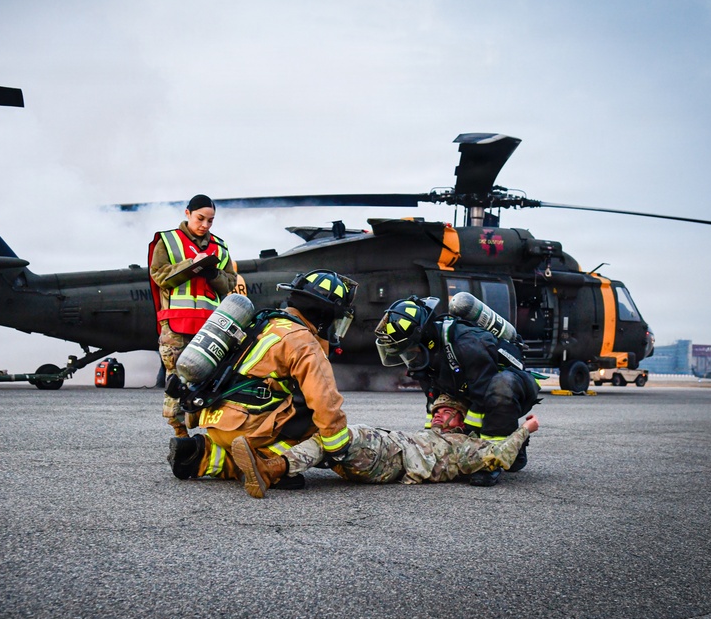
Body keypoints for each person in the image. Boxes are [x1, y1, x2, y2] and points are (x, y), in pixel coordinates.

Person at [167, 270, 357, 488]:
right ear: (324, 316)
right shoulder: (303, 341)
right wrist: (337, 447)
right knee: (317, 417)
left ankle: (203, 455)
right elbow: (325, 401)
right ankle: (267, 464)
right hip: (248, 430)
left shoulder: (264, 322)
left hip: (215, 422)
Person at [371, 296, 541, 486]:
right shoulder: (425, 357)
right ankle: (512, 447)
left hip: (511, 385)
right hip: (473, 386)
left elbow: (481, 399)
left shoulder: (468, 345)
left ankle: (490, 463)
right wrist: (431, 440)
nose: (407, 357)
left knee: (499, 389)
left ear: (424, 338)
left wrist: (472, 447)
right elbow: (433, 400)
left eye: (408, 350)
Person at [231, 414, 539, 497]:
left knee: (343, 433)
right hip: (383, 456)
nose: (438, 416)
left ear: (460, 421)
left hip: (392, 458)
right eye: (437, 410)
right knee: (323, 435)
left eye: (447, 412)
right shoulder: (434, 434)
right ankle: (270, 468)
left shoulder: (467, 447)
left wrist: (526, 428)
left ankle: (270, 470)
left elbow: (500, 456)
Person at [149, 194, 237, 438]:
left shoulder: (220, 247)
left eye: (211, 221)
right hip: (176, 326)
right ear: (187, 213)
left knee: (212, 379)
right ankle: (180, 433)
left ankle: (212, 432)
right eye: (201, 219)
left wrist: (212, 273)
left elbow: (230, 284)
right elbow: (160, 277)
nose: (205, 225)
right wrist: (191, 265)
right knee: (175, 380)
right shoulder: (167, 241)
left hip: (209, 327)